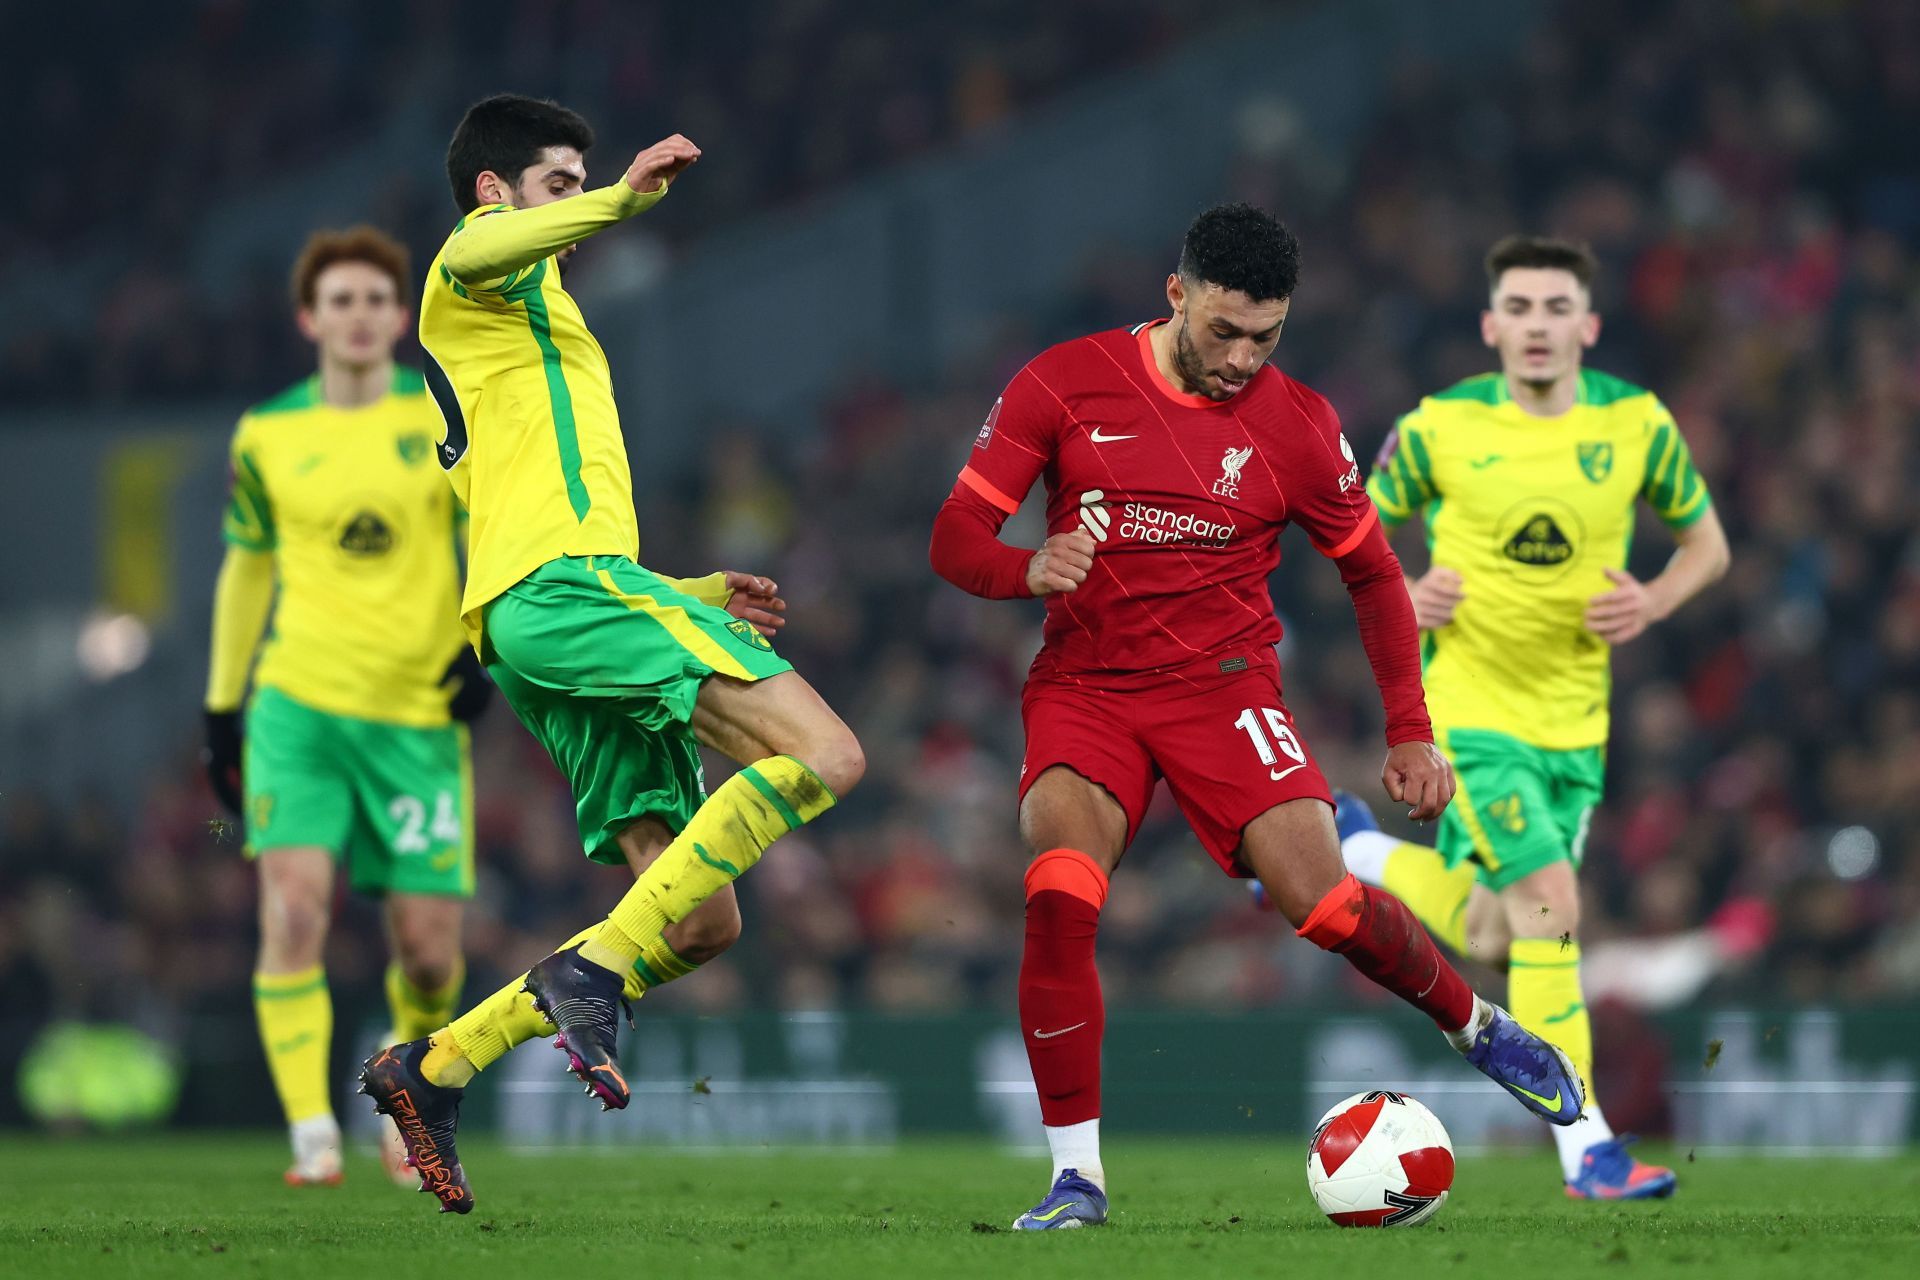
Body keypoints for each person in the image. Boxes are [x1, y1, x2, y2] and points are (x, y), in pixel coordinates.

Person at [929, 203, 1583, 1231]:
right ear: (1176, 292)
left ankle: (1477, 1025)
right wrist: (1027, 567)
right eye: (1223, 330)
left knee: (1323, 907)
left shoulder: (1300, 426)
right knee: (1059, 891)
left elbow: (1372, 575)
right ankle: (1077, 1180)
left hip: (1224, 688)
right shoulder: (1063, 381)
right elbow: (956, 534)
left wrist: (1409, 728)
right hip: (1086, 686)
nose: (1241, 357)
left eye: (1265, 336)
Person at [358, 95, 863, 1214]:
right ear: (496, 192)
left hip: (542, 615)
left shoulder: (527, 322)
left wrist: (678, 591)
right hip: (563, 593)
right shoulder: (471, 271)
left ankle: (433, 1066)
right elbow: (480, 242)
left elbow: (538, 499)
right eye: (554, 186)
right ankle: (585, 976)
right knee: (829, 756)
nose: (572, 213)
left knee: (695, 919)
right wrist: (622, 192)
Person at [1341, 234, 1730, 1200]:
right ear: (1491, 326)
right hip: (1466, 713)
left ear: (1588, 325)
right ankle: (1586, 1144)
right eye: (1519, 308)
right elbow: (1350, 526)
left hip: (1575, 727)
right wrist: (1403, 587)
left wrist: (1654, 599)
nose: (1538, 326)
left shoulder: (1638, 425)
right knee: (1552, 904)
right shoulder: (1439, 426)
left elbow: (1708, 545)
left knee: (1490, 929)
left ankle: (1353, 854)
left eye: (1558, 308)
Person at [203, 226, 494, 1187]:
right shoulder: (268, 435)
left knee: (425, 953)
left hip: (416, 719)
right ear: (309, 318)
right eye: (342, 301)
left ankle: (405, 1099)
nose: (361, 316)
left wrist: (481, 647)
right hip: (300, 710)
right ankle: (312, 1134)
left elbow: (491, 533)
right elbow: (247, 570)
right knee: (292, 910)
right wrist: (222, 707)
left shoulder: (442, 418)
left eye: (377, 299)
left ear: (401, 316)